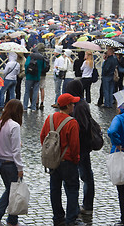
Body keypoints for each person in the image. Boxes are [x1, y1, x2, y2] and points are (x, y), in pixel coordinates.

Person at [40, 93, 81, 226]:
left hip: (53, 161)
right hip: (68, 161)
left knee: (55, 189)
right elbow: (74, 146)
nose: (74, 105)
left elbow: (42, 137)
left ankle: (58, 218)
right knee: (72, 189)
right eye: (72, 103)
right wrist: (76, 159)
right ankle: (71, 219)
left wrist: (50, 152)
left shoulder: (50, 118)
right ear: (68, 106)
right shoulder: (72, 122)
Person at [0, 99, 25, 226]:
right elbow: (16, 151)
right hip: (11, 164)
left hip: (1, 161)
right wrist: (20, 168)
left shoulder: (0, 123)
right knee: (12, 191)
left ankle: (12, 220)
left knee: (11, 191)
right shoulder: (14, 126)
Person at [65, 80, 94, 215]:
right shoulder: (79, 104)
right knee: (83, 175)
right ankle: (83, 206)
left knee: (85, 176)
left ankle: (87, 206)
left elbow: (82, 127)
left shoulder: (80, 106)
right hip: (80, 146)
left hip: (81, 147)